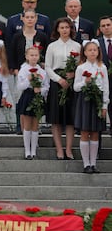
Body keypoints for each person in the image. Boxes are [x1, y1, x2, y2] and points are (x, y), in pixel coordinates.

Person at [45, 17, 81, 160]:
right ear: (57, 30)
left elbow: (80, 65)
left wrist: (74, 74)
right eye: (62, 27)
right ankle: (59, 149)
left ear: (71, 29)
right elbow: (47, 67)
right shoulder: (52, 46)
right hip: (57, 82)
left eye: (67, 27)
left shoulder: (77, 46)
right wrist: (58, 79)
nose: (65, 30)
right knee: (56, 118)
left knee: (70, 118)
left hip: (72, 83)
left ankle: (69, 149)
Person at [74, 40, 109, 173]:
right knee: (85, 131)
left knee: (95, 132)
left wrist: (105, 104)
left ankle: (93, 163)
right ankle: (86, 164)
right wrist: (85, 82)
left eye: (95, 50)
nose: (93, 52)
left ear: (98, 51)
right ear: (85, 52)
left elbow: (106, 87)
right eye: (90, 50)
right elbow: (76, 87)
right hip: (85, 100)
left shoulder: (102, 67)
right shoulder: (81, 68)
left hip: (98, 100)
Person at [17, 47, 49, 159]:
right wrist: (28, 80)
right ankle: (27, 150)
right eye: (31, 55)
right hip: (27, 96)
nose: (34, 57)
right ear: (27, 56)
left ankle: (34, 150)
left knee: (35, 124)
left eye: (36, 55)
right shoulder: (23, 70)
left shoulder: (42, 72)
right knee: (27, 124)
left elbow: (46, 87)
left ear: (39, 57)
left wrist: (40, 90)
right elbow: (20, 86)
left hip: (37, 97)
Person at [98, 16, 112, 134]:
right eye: (103, 26)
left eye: (108, 25)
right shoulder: (96, 43)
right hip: (101, 83)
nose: (106, 28)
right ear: (100, 29)